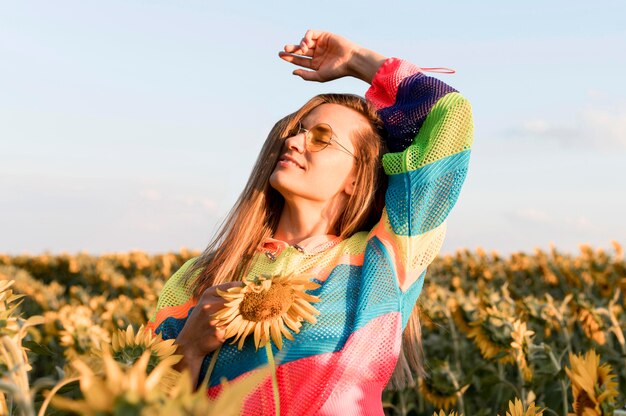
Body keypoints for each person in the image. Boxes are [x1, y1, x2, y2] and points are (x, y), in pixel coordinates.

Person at [146, 30, 474, 415]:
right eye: (297, 132)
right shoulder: (198, 278)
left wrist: (356, 61)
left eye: (322, 138)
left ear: (356, 177)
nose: (296, 142)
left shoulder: (384, 260)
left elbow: (451, 117)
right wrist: (188, 348)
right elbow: (145, 403)